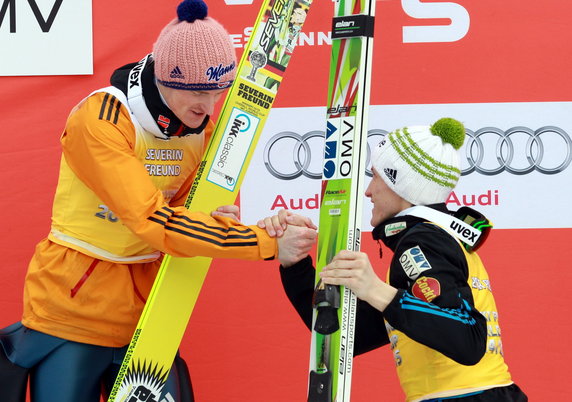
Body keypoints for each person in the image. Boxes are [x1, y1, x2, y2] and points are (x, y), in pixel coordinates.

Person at [0, 1, 317, 401]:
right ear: (165, 79)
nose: (209, 107)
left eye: (219, 93)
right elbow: (151, 220)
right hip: (74, 314)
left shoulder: (201, 126)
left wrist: (251, 224)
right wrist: (265, 243)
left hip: (151, 316)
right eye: (199, 93)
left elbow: (188, 219)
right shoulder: (101, 119)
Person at [266, 118, 528, 401]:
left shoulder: (425, 241)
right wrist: (295, 264)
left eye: (376, 176)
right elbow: (348, 337)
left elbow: (469, 339)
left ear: (401, 186)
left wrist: (376, 290)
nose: (368, 191)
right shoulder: (435, 238)